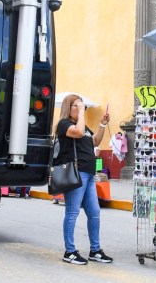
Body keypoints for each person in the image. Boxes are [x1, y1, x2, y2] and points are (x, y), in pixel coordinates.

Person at [57, 94, 112, 265]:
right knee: (72, 212)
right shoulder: (64, 124)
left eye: (83, 106)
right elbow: (78, 132)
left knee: (94, 213)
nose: (82, 109)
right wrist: (81, 113)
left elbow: (95, 140)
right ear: (69, 107)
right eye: (78, 105)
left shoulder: (84, 127)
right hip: (76, 173)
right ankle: (70, 251)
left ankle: (95, 250)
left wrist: (102, 124)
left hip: (89, 175)